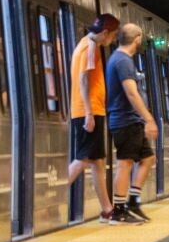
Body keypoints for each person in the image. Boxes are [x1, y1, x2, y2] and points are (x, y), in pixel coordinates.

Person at [67, 13, 119, 223]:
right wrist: (89, 113)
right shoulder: (91, 47)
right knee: (82, 159)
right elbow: (83, 80)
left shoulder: (82, 43)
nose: (113, 40)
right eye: (113, 36)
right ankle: (51, 198)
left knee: (98, 162)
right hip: (89, 111)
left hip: (89, 110)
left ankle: (107, 209)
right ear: (105, 33)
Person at [106, 23, 158, 225]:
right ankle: (118, 211)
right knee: (126, 163)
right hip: (125, 120)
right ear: (137, 39)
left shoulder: (123, 60)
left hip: (131, 120)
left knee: (148, 159)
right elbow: (131, 92)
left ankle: (133, 201)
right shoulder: (122, 61)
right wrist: (149, 119)